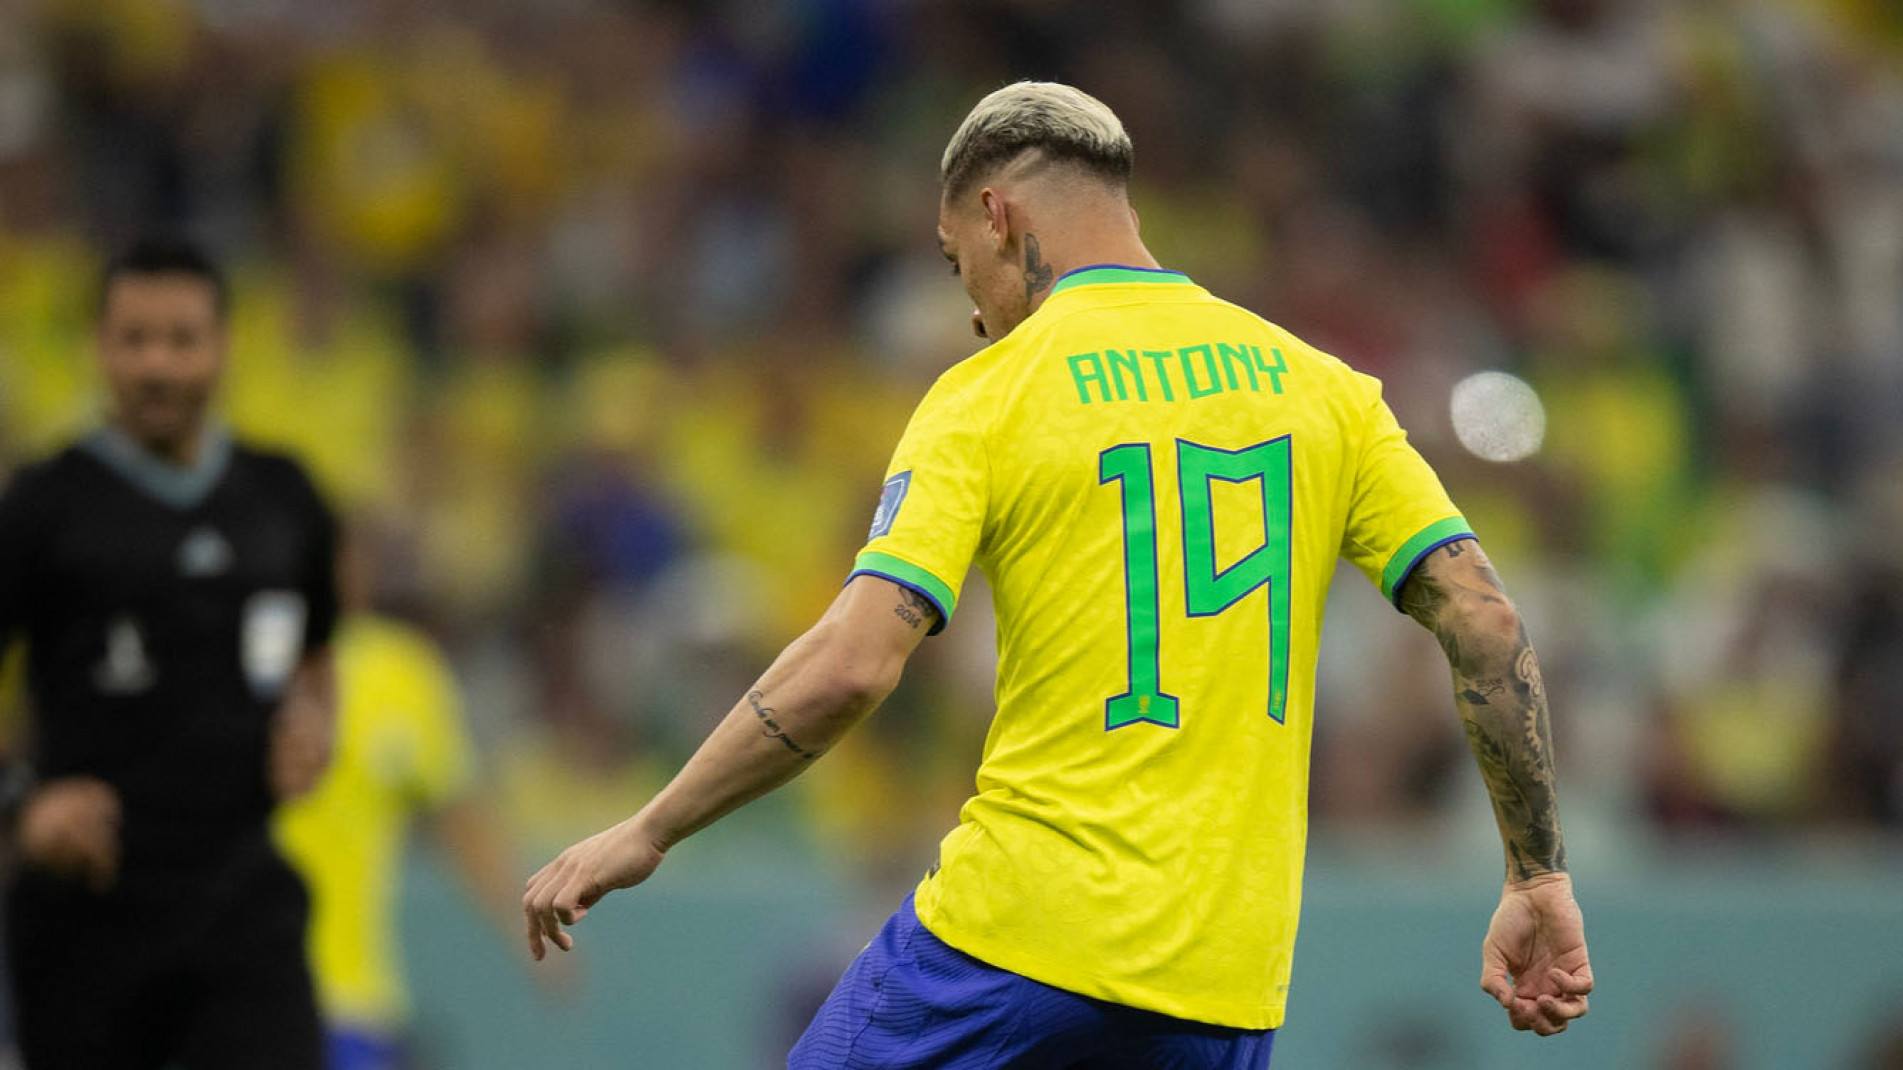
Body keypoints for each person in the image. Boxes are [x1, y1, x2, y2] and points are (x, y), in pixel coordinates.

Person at [523, 82, 1593, 1067]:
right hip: (1222, 985)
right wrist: (1536, 870)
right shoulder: (1326, 393)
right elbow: (1484, 618)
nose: (974, 308)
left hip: (1014, 935)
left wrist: (649, 826)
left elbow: (852, 664)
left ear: (998, 215)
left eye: (958, 268)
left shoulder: (990, 391)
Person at [0, 237, 337, 1069]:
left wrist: (313, 724)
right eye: (135, 339)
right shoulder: (44, 504)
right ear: (100, 348)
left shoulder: (284, 496)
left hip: (241, 906)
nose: (157, 365)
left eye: (181, 340)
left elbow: (319, 652)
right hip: (87, 914)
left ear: (222, 346)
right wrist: (19, 806)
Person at [275, 519, 552, 1070]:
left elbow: (459, 816)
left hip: (352, 998)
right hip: (236, 992)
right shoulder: (229, 661)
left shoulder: (401, 674)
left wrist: (524, 920)